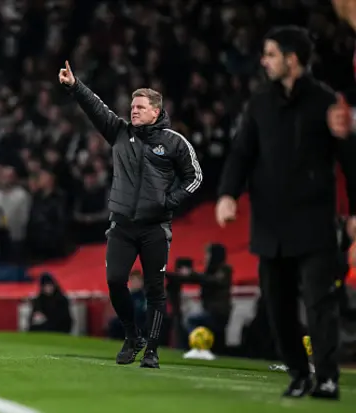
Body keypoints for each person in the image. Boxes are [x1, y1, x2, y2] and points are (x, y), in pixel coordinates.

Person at [215, 26, 356, 400]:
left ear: (292, 59)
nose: (263, 61)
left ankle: (326, 377)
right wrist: (228, 194)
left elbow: (351, 160)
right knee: (276, 308)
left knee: (319, 304)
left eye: (271, 54)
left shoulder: (326, 101)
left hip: (314, 225)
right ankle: (297, 373)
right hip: (270, 225)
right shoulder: (259, 103)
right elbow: (241, 153)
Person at [58, 60, 202, 368]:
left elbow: (195, 177)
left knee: (154, 290)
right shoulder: (120, 133)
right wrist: (75, 86)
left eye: (139, 107)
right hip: (122, 225)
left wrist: (170, 201)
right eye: (132, 106)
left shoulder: (175, 142)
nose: (133, 110)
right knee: (114, 280)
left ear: (155, 111)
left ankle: (151, 350)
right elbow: (97, 109)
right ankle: (131, 336)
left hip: (154, 228)